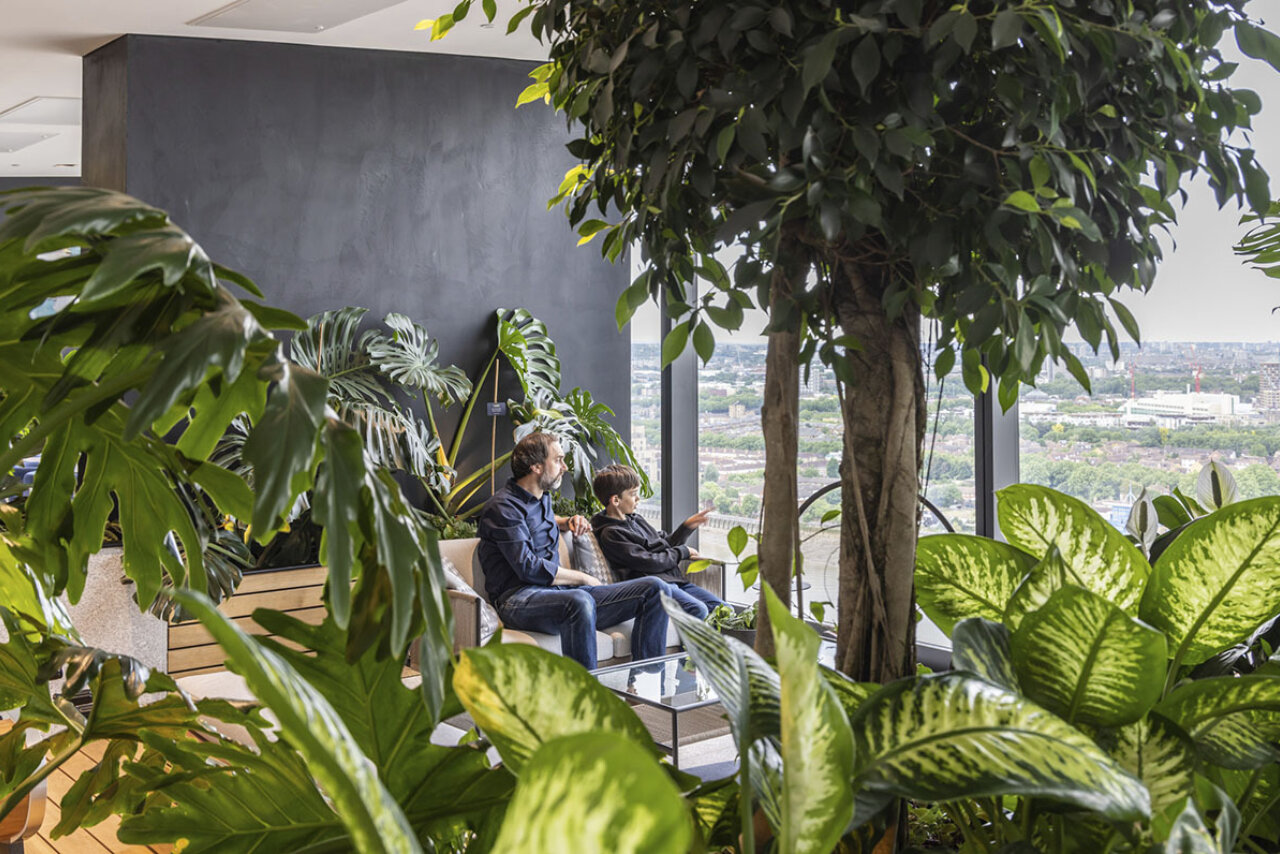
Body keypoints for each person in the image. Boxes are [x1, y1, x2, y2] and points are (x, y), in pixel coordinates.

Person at [477, 432, 670, 670]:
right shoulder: (502, 508)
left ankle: (644, 685)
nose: (565, 467)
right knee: (579, 600)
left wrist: (567, 520)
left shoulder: (541, 498)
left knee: (656, 589)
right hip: (518, 600)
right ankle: (586, 699)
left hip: (559, 594)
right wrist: (583, 577)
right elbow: (528, 568)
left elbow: (537, 521)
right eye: (558, 460)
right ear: (536, 466)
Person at [590, 465, 728, 620]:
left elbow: (662, 544)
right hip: (656, 589)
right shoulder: (611, 534)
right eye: (633, 494)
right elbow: (650, 562)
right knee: (697, 609)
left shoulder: (635, 519)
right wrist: (682, 552)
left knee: (725, 610)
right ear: (616, 500)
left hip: (675, 581)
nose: (638, 499)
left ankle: (710, 645)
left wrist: (686, 527)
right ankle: (691, 645)